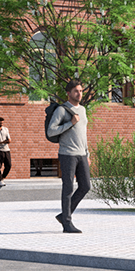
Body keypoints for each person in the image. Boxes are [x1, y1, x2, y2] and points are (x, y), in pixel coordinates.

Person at [46, 81, 91, 233]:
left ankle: (64, 214)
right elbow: (51, 131)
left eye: (80, 91)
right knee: (68, 188)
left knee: (86, 186)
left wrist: (87, 153)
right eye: (76, 91)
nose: (79, 94)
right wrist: (70, 123)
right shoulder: (62, 110)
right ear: (69, 93)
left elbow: (83, 134)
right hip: (67, 154)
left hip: (81, 154)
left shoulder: (83, 110)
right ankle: (67, 223)